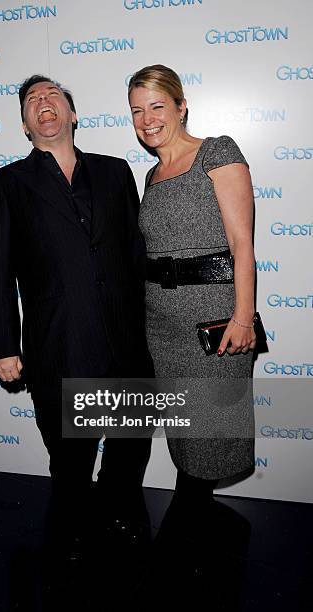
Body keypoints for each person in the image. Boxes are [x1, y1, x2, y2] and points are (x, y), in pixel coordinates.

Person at [0, 74, 154, 558]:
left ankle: (119, 520)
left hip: (126, 340)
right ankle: (73, 536)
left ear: (72, 115)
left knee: (128, 445)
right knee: (70, 460)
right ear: (25, 124)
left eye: (53, 94)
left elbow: (134, 256)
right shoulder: (6, 184)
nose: (43, 102)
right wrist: (3, 346)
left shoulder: (116, 172)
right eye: (32, 100)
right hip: (60, 344)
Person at [128, 64, 256, 506]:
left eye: (157, 106)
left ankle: (190, 533)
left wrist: (242, 318)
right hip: (162, 326)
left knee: (210, 435)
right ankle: (196, 528)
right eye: (137, 110)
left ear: (182, 107)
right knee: (185, 432)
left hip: (213, 324)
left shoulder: (216, 152)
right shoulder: (151, 177)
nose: (147, 120)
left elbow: (242, 246)